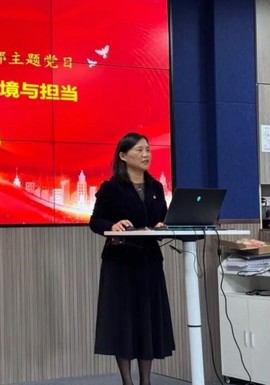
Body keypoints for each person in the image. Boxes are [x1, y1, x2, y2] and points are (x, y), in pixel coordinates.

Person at [89, 132, 175, 385]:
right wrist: (112, 225)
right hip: (120, 262)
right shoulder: (111, 188)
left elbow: (162, 218)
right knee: (124, 321)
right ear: (123, 156)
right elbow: (95, 221)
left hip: (149, 261)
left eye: (148, 149)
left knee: (147, 320)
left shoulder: (156, 187)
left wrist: (161, 226)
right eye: (139, 150)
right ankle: (127, 381)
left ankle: (145, 381)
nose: (146, 154)